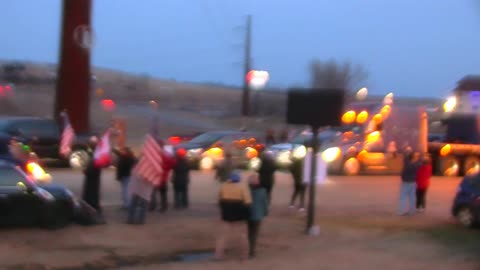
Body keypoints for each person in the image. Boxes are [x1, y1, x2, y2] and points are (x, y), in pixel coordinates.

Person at [215, 171, 252, 261]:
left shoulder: (223, 186)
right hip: (239, 216)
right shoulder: (243, 187)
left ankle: (219, 255)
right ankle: (244, 255)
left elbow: (219, 200)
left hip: (226, 215)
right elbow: (248, 202)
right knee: (242, 235)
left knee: (223, 236)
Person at [247, 173, 269, 259]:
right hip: (258, 215)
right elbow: (265, 204)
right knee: (254, 233)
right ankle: (252, 251)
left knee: (249, 232)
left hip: (248, 214)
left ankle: (248, 249)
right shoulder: (262, 191)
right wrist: (266, 212)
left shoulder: (247, 190)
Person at [150, 142, 176, 212]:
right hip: (163, 179)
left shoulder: (156, 156)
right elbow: (173, 163)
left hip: (156, 178)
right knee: (162, 194)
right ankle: (163, 207)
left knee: (153, 193)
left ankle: (152, 206)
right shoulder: (166, 157)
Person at [82, 137, 104, 218]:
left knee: (92, 195)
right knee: (93, 194)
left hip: (92, 178)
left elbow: (93, 166)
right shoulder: (95, 153)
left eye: (91, 143)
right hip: (93, 177)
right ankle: (94, 209)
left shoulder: (96, 154)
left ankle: (93, 211)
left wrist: (86, 171)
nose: (89, 145)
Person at [398, 151, 422, 216]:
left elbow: (405, 158)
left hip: (406, 182)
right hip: (413, 182)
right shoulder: (417, 164)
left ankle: (401, 211)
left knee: (403, 197)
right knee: (412, 197)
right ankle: (412, 211)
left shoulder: (407, 163)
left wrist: (407, 152)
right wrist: (417, 157)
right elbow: (420, 161)